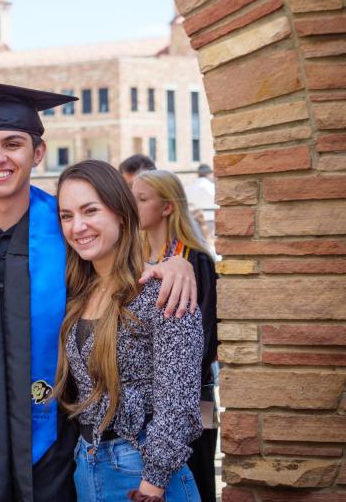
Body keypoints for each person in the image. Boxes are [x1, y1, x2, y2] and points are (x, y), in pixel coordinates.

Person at [0, 82, 198, 502]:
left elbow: (118, 269)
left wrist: (174, 264)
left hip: (56, 450)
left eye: (13, 143)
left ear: (37, 153)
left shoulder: (63, 230)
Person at [54, 160, 203, 502]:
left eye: (90, 210)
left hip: (142, 471)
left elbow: (177, 397)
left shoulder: (160, 290)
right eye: (66, 215)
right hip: (86, 464)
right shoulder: (75, 291)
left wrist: (153, 483)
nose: (78, 226)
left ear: (120, 212)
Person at [131, 170, 218, 502]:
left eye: (141, 200)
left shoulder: (194, 259)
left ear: (167, 207)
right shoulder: (135, 261)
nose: (132, 206)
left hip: (193, 394)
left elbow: (206, 336)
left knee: (195, 471)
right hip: (147, 409)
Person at [184, 163, 217, 236]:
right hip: (210, 220)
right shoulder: (212, 187)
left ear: (198, 173)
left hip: (193, 220)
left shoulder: (188, 188)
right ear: (209, 173)